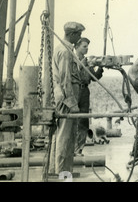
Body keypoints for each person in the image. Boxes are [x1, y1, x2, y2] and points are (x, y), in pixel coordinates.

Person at [49, 21, 85, 174]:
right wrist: (72, 104)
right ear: (71, 34)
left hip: (63, 97)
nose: (80, 37)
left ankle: (55, 170)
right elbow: (65, 79)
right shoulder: (65, 51)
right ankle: (63, 172)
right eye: (78, 34)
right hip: (66, 98)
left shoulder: (63, 49)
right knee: (66, 136)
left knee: (60, 134)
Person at [74, 37, 104, 156]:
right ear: (77, 47)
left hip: (84, 91)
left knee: (83, 121)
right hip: (74, 90)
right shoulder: (72, 59)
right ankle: (71, 149)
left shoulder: (88, 61)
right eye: (84, 47)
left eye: (87, 47)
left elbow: (94, 77)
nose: (87, 49)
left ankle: (79, 149)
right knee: (72, 120)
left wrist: (100, 67)